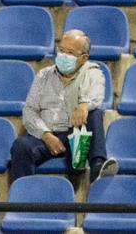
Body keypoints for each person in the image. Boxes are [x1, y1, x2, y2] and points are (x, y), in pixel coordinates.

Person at [10, 29, 119, 184]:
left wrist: (83, 105)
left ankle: (98, 165)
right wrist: (46, 135)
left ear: (83, 58)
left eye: (70, 52)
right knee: (20, 146)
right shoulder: (43, 75)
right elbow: (29, 111)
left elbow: (97, 94)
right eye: (61, 50)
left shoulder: (92, 72)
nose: (63, 56)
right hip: (46, 135)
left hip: (75, 134)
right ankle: (21, 198)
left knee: (94, 112)